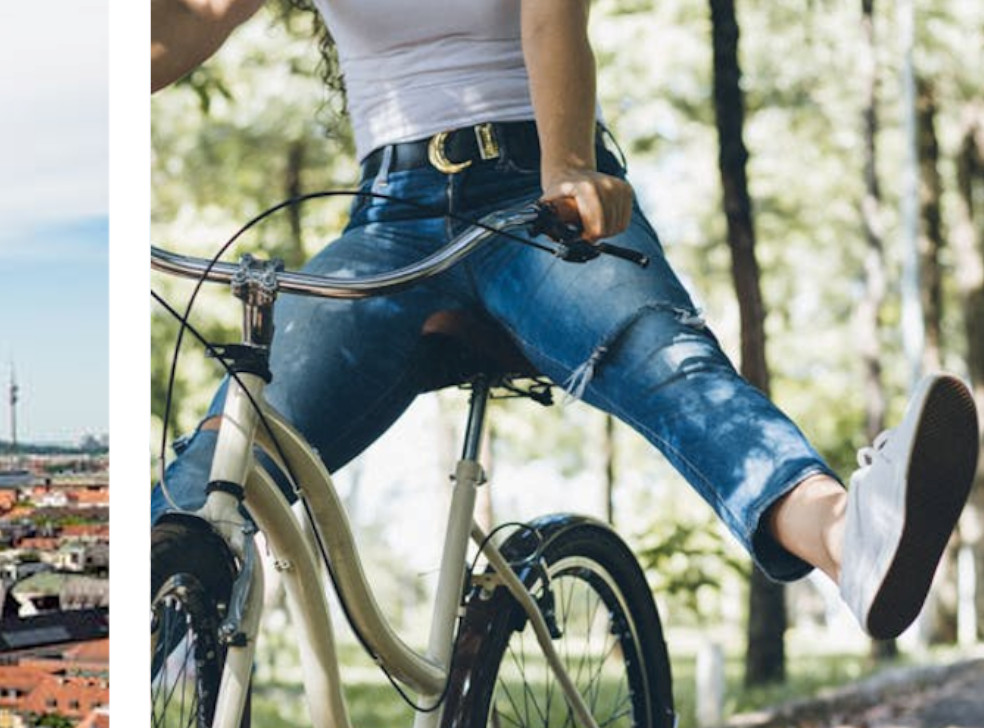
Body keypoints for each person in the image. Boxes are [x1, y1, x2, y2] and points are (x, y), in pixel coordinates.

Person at [151, 0, 978, 640]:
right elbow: (182, 26)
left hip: (532, 184)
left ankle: (848, 537)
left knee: (663, 361)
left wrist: (569, 165)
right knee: (216, 475)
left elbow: (553, 18)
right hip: (387, 217)